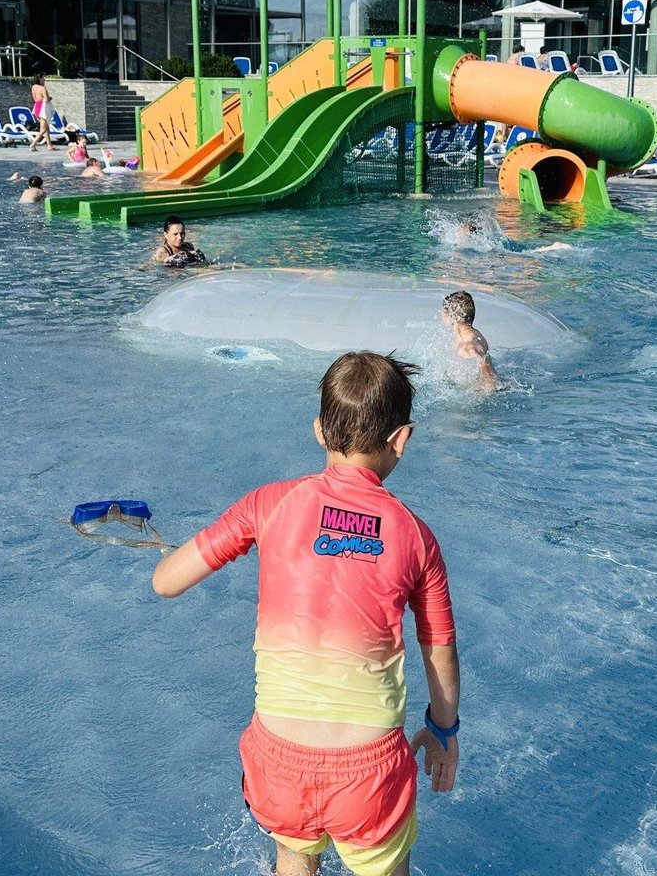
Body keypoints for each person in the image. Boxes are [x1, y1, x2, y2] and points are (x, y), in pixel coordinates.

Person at [150, 352, 460, 876]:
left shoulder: (268, 504)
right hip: (369, 769)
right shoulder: (416, 535)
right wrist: (443, 731)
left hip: (278, 759)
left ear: (319, 430)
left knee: (294, 856)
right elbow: (440, 651)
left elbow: (166, 582)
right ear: (401, 439)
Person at [441, 291, 497, 393]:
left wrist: (480, 397)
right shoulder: (473, 334)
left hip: (477, 393)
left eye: (444, 312)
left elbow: (491, 380)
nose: (441, 315)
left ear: (452, 316)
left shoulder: (467, 347)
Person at [28, 78, 53, 151]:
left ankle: (49, 146)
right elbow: (46, 100)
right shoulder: (42, 88)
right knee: (43, 129)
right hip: (43, 108)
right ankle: (33, 144)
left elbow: (35, 99)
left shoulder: (33, 87)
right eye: (43, 80)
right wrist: (50, 98)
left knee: (46, 128)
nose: (44, 81)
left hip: (37, 107)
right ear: (40, 80)